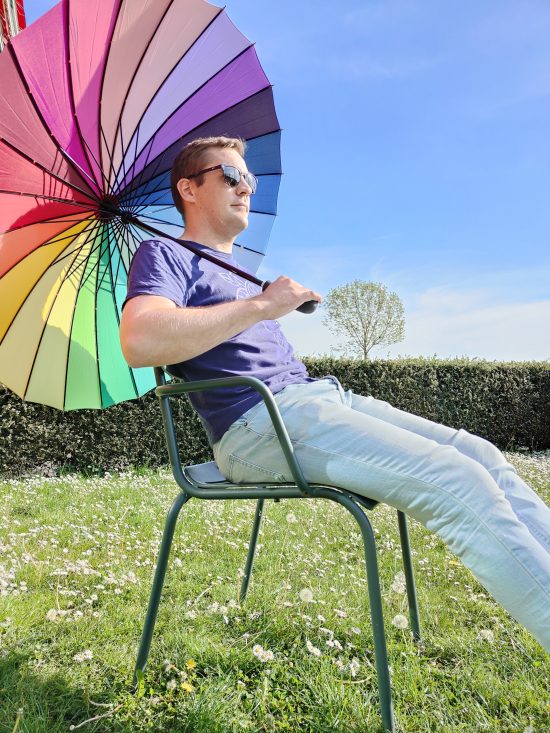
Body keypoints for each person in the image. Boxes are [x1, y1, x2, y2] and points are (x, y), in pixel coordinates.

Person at [120, 136, 550, 652]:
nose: (246, 188)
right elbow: (140, 341)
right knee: (455, 479)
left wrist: (266, 298)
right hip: (257, 423)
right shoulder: (164, 254)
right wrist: (264, 307)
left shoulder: (240, 273)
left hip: (317, 399)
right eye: (230, 176)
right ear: (188, 189)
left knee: (480, 455)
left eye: (248, 179)